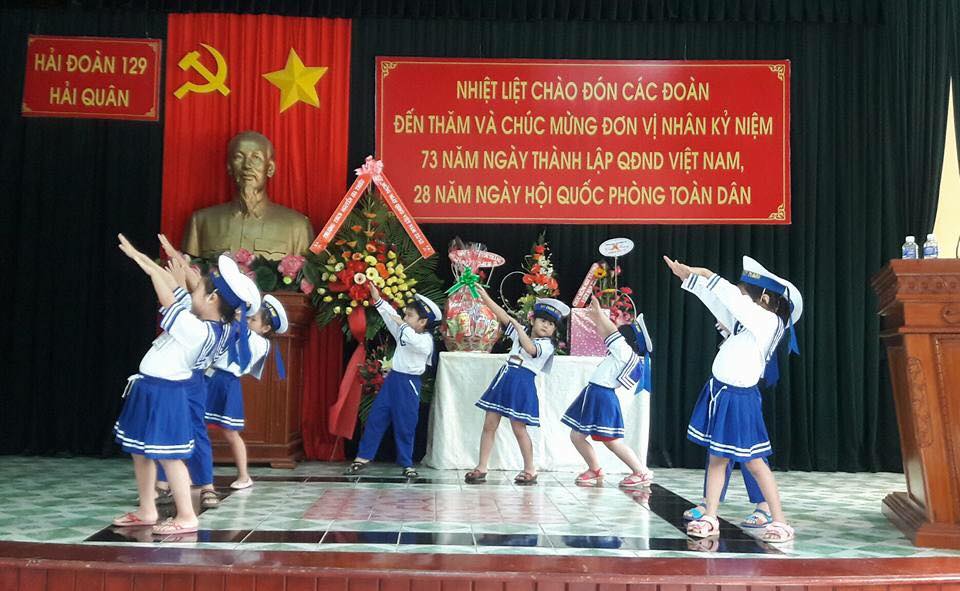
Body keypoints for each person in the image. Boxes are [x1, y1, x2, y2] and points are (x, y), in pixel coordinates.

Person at [111, 234, 255, 535]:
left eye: (198, 290)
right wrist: (155, 261)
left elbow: (166, 292)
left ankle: (187, 516)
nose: (191, 292)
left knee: (169, 456)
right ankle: (147, 509)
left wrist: (143, 262)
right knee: (141, 450)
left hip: (165, 392)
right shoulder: (211, 322)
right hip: (150, 387)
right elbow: (175, 286)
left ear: (212, 299)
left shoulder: (197, 329)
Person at [664, 255, 802, 543]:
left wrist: (707, 273)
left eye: (743, 292)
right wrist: (689, 279)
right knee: (717, 458)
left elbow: (734, 302)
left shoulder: (769, 322)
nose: (738, 296)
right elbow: (719, 303)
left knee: (755, 463)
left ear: (764, 298)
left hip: (740, 400)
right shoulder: (745, 323)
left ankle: (780, 520)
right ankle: (711, 516)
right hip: (722, 394)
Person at [154, 236, 261, 510]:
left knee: (188, 432)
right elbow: (197, 286)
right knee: (173, 430)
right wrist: (177, 258)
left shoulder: (216, 325)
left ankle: (203, 485)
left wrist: (175, 280)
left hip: (189, 380)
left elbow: (188, 297)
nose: (199, 289)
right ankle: (168, 484)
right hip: (188, 379)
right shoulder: (222, 319)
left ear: (216, 299)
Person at [465, 287, 570, 486]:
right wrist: (484, 296)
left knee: (518, 428)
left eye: (551, 324)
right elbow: (502, 315)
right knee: (489, 424)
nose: (546, 326)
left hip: (522, 383)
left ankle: (530, 469)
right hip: (505, 378)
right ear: (533, 320)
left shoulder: (547, 345)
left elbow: (530, 349)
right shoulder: (522, 333)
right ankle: (482, 466)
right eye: (542, 321)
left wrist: (519, 328)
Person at [343, 284, 441, 478]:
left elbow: (413, 341)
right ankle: (363, 457)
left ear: (422, 322)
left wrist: (401, 324)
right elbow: (391, 317)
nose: (405, 318)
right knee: (376, 418)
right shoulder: (404, 330)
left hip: (409, 383)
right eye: (406, 315)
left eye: (410, 316)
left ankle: (406, 463)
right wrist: (378, 299)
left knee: (406, 423)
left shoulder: (426, 340)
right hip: (394, 380)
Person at [561, 296, 654, 488]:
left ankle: (640, 471)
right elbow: (606, 333)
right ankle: (594, 469)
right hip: (594, 394)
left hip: (602, 397)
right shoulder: (620, 352)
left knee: (612, 441)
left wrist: (598, 312)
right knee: (577, 436)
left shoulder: (624, 351)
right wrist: (596, 316)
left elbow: (610, 332)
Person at [182, 131, 314, 260]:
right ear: (229, 167)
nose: (247, 166)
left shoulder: (297, 227)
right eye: (239, 157)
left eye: (256, 158)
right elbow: (186, 271)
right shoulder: (201, 222)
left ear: (270, 168)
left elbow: (306, 273)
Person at [204, 294, 289, 490]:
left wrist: (239, 311)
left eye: (253, 319)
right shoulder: (240, 332)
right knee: (197, 428)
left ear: (265, 328)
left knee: (231, 433)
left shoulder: (261, 343)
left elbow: (240, 330)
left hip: (227, 384)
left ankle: (244, 476)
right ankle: (193, 474)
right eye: (248, 318)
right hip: (210, 379)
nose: (248, 321)